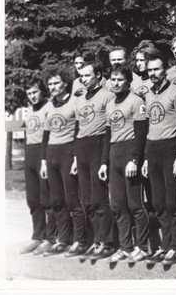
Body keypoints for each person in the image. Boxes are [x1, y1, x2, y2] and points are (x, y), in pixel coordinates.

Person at [98, 63, 151, 263]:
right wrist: (104, 162)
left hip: (130, 152)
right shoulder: (110, 104)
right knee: (118, 205)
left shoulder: (136, 101)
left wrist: (135, 160)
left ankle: (143, 247)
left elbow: (140, 134)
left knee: (135, 204)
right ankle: (125, 246)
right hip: (114, 153)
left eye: (120, 79)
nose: (116, 83)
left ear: (128, 82)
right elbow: (108, 133)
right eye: (113, 79)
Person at [142, 50, 176, 265]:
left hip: (171, 148)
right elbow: (147, 128)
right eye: (149, 69)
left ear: (165, 70)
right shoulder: (148, 94)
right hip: (153, 150)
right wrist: (144, 158)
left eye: (157, 69)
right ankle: (166, 245)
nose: (153, 73)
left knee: (173, 202)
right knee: (158, 202)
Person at [39, 64, 87, 257]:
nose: (52, 86)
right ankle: (63, 240)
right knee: (57, 200)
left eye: (56, 83)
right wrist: (43, 161)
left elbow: (79, 131)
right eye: (50, 84)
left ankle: (80, 241)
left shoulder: (75, 102)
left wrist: (75, 157)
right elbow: (45, 136)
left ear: (65, 83)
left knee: (72, 199)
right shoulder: (48, 106)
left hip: (68, 152)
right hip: (52, 154)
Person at [73, 54, 116, 260]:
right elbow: (78, 128)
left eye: (87, 75)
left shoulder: (107, 96)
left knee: (99, 198)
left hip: (99, 144)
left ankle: (107, 242)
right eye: (81, 76)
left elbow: (110, 129)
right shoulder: (79, 99)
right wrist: (75, 157)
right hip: (82, 147)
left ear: (99, 75)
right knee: (86, 200)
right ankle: (96, 240)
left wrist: (105, 160)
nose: (83, 79)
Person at [19, 78, 58, 256]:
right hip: (30, 154)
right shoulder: (29, 110)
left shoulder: (49, 107)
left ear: (41, 91)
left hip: (44, 153)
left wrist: (45, 158)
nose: (33, 96)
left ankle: (51, 238)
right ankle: (37, 236)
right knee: (33, 199)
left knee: (46, 199)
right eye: (29, 93)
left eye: (35, 92)